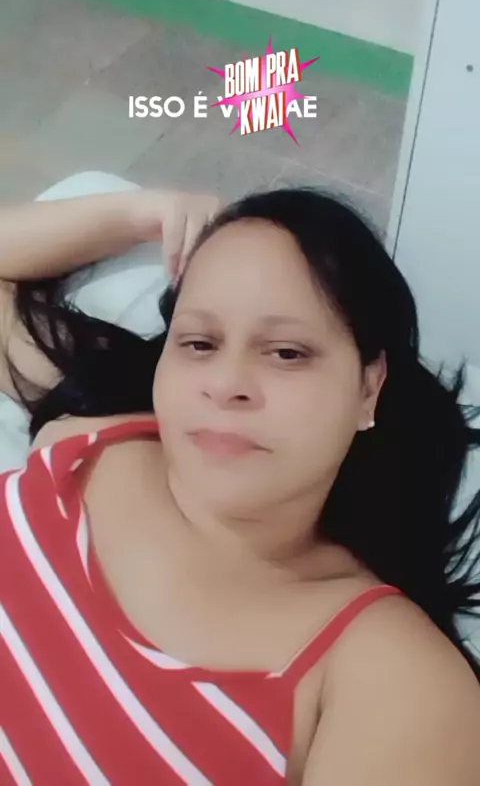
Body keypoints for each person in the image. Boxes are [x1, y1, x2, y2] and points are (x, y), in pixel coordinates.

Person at [1, 186, 479, 786]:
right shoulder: (94, 431)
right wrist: (137, 213)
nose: (227, 383)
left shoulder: (388, 679)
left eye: (286, 353)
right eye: (199, 343)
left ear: (368, 387)